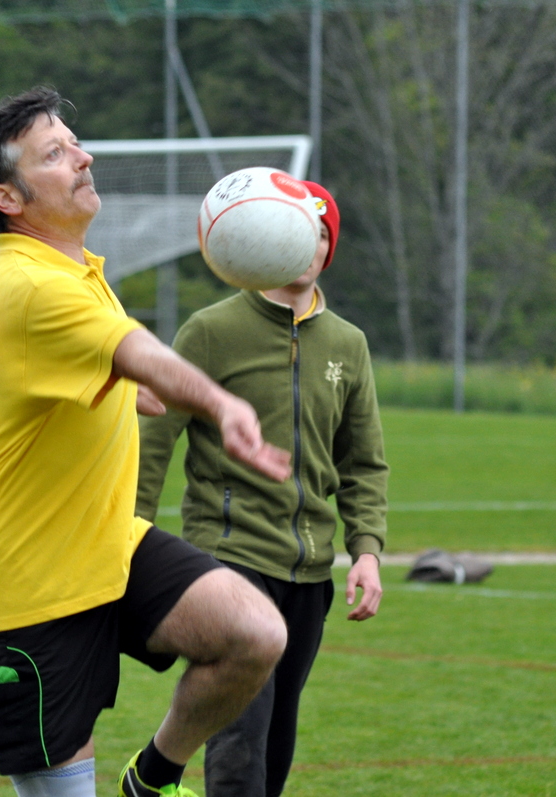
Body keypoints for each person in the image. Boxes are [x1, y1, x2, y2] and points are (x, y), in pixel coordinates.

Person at [0, 86, 294, 797]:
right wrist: (219, 402)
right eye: (55, 154)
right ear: (7, 199)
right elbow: (133, 347)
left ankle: (151, 779)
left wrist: (126, 389)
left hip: (107, 546)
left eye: (74, 144)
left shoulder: (76, 272)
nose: (84, 158)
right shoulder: (30, 284)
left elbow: (90, 366)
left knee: (254, 633)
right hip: (28, 588)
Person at [136, 181, 389, 797]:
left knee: (276, 737)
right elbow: (154, 439)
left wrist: (367, 551)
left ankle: (149, 781)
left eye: (321, 235)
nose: (309, 245)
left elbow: (363, 463)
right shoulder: (210, 331)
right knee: (240, 734)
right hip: (229, 554)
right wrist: (129, 532)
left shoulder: (349, 344)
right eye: (299, 231)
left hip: (310, 571)